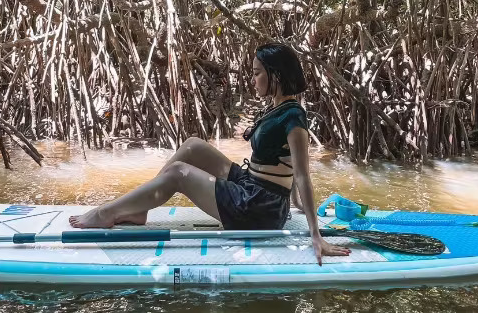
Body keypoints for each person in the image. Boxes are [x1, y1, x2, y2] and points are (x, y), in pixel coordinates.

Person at [69, 42, 351, 264]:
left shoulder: (294, 118)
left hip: (258, 207)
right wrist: (295, 202)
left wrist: (316, 236)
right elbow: (285, 165)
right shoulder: (277, 107)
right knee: (192, 146)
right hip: (251, 185)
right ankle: (140, 208)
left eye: (256, 73)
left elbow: (301, 174)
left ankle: (107, 213)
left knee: (178, 173)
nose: (252, 80)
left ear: (275, 75)